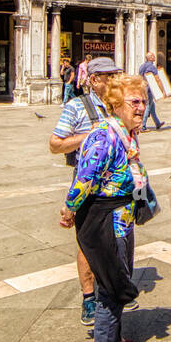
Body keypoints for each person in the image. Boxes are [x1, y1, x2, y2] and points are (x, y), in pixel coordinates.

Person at [60, 73, 151, 342]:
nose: (141, 108)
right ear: (115, 104)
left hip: (121, 220)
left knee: (114, 282)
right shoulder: (104, 135)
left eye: (144, 101)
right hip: (105, 221)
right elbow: (85, 179)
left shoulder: (126, 133)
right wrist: (69, 209)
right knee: (110, 289)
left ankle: (112, 340)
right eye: (134, 102)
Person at [50, 58, 112, 326]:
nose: (113, 81)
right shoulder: (76, 106)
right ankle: (89, 297)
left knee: (116, 241)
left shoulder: (119, 106)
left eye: (116, 75)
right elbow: (55, 144)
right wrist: (90, 136)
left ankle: (112, 289)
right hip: (87, 184)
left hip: (118, 186)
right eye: (108, 77)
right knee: (87, 242)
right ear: (94, 80)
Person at [138, 51, 168, 132]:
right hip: (149, 88)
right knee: (148, 106)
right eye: (153, 56)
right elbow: (157, 79)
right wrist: (162, 90)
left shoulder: (142, 66)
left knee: (152, 106)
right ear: (150, 57)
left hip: (143, 87)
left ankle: (157, 123)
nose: (155, 57)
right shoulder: (152, 67)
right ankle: (143, 126)